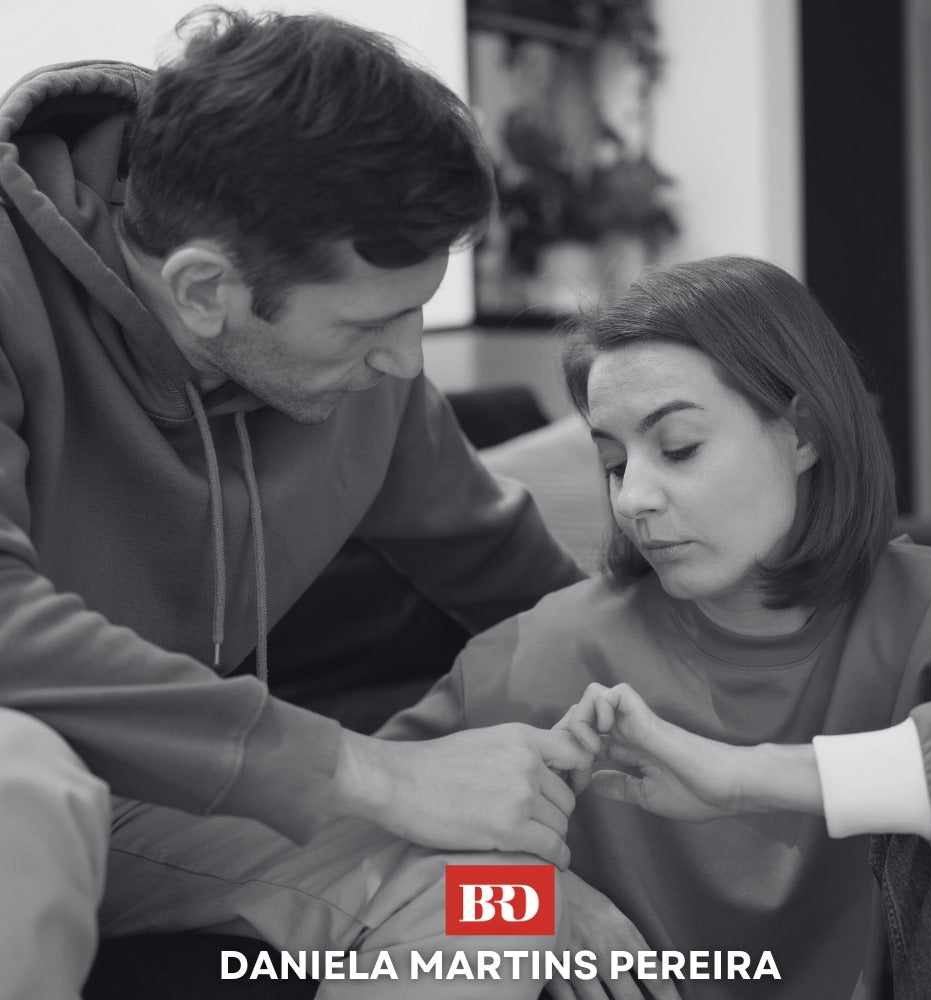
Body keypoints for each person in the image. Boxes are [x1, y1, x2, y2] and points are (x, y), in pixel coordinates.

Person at [0, 7, 592, 998]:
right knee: (26, 784)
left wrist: (698, 722)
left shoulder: (364, 383)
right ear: (204, 291)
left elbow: (515, 580)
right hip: (21, 768)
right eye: (371, 323)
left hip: (146, 787)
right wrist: (368, 772)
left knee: (502, 902)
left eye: (419, 310)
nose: (407, 361)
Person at [381, 255, 931, 999]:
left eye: (679, 448)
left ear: (803, 434)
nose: (632, 499)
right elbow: (324, 835)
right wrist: (539, 904)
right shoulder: (542, 656)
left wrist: (741, 777)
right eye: (614, 463)